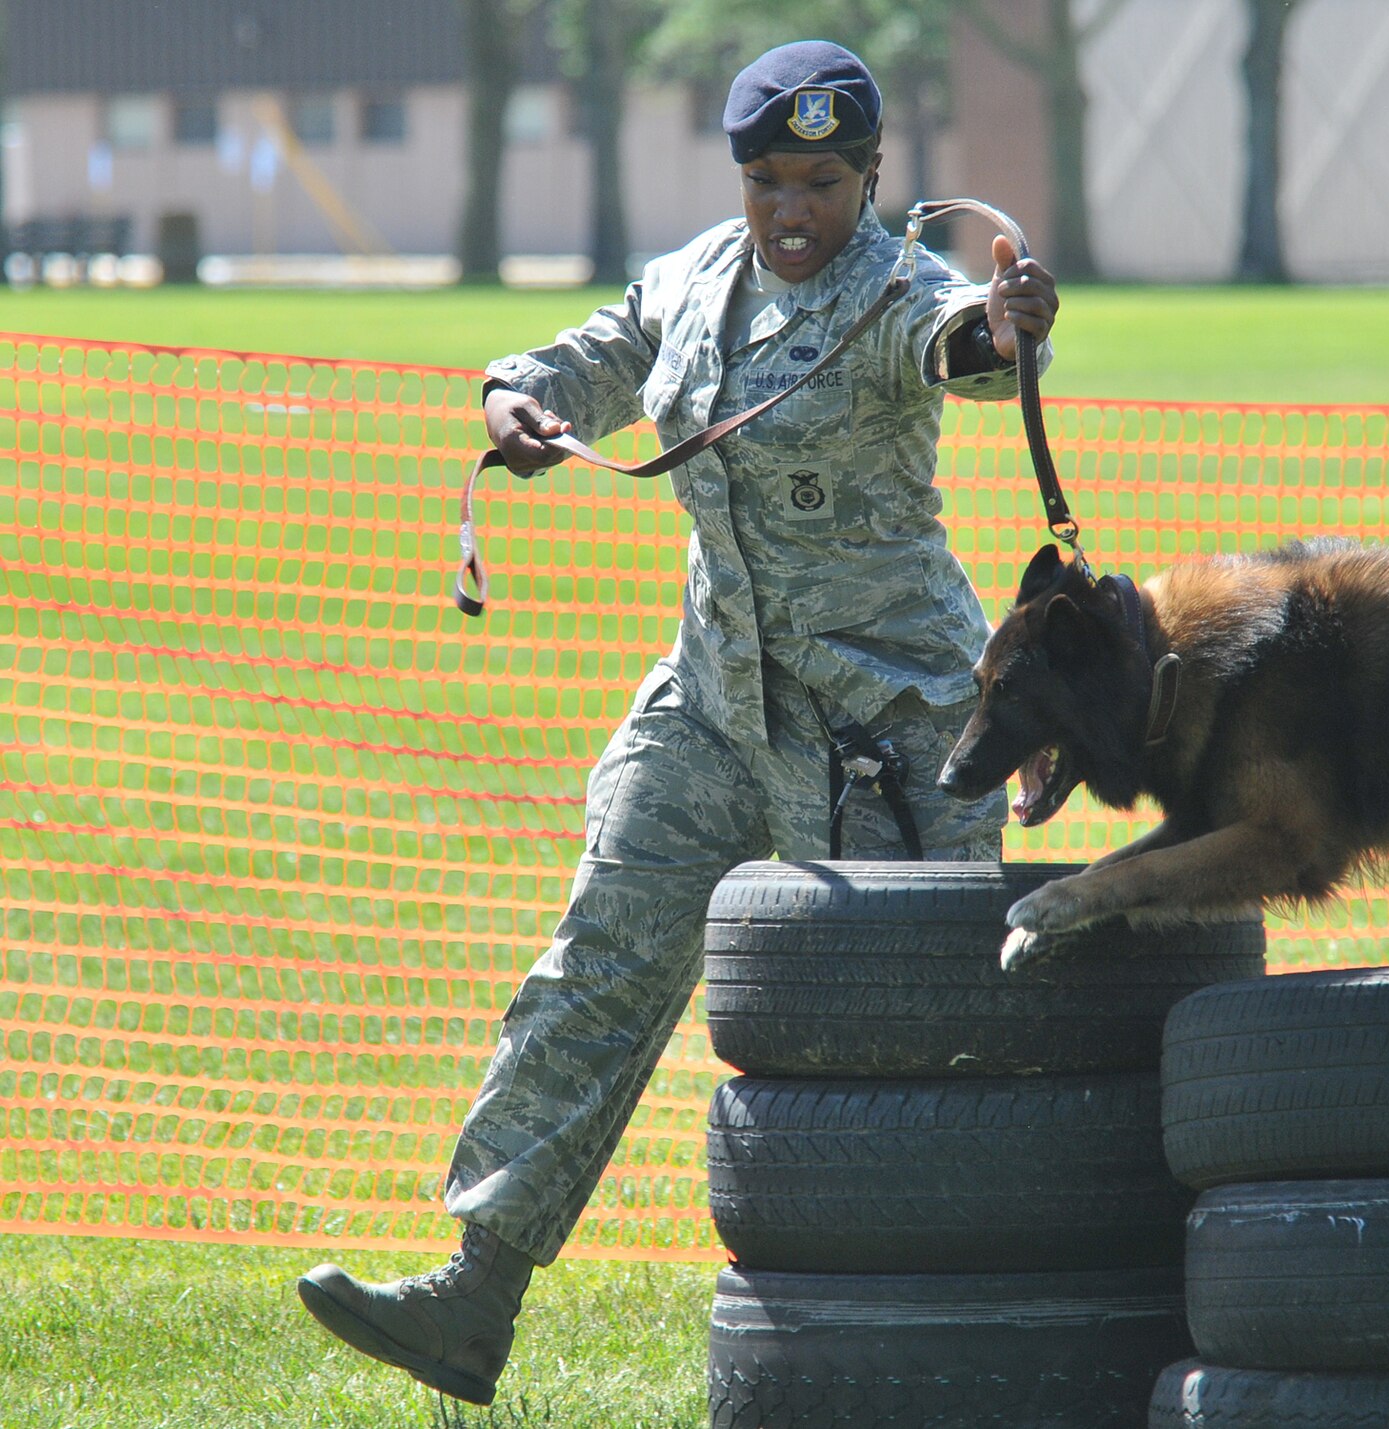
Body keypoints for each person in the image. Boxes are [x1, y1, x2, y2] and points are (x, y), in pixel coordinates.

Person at [295, 38, 1058, 1406]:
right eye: (768, 180)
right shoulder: (699, 279)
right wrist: (515, 398)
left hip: (893, 725)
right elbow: (598, 350)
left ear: (871, 176)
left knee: (925, 1046)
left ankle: (955, 1326)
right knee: (595, 962)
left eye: (822, 181)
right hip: (712, 701)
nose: (791, 211)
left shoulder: (905, 292)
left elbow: (964, 348)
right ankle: (476, 1290)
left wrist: (1007, 330)